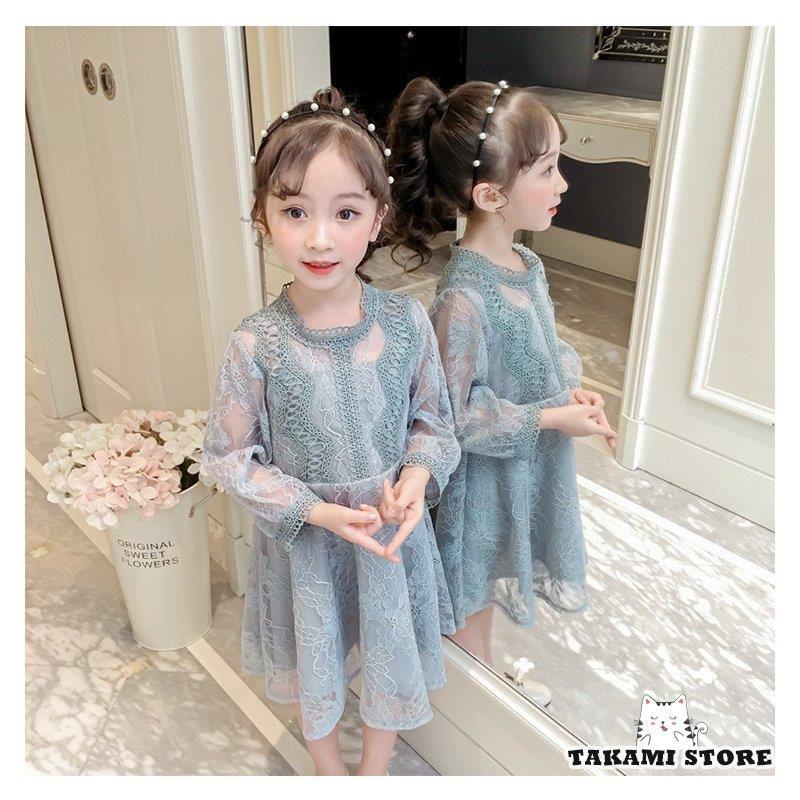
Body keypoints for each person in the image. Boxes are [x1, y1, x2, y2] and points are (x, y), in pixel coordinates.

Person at [202, 87, 461, 775]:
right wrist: (312, 510)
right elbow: (228, 456)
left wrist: (416, 476)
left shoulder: (406, 324)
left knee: (386, 656)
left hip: (385, 540)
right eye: (295, 211)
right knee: (313, 662)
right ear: (262, 216)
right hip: (307, 551)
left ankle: (372, 773)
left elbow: (434, 424)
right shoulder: (256, 344)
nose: (320, 238)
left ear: (377, 218)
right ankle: (330, 772)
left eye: (345, 212)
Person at [386, 77, 617, 707]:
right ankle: (476, 696)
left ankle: (485, 673)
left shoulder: (526, 265)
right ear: (490, 194)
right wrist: (552, 417)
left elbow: (539, 351)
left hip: (525, 466)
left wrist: (571, 393)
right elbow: (458, 418)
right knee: (475, 583)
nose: (563, 184)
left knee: (494, 577)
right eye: (547, 170)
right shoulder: (463, 298)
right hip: (484, 485)